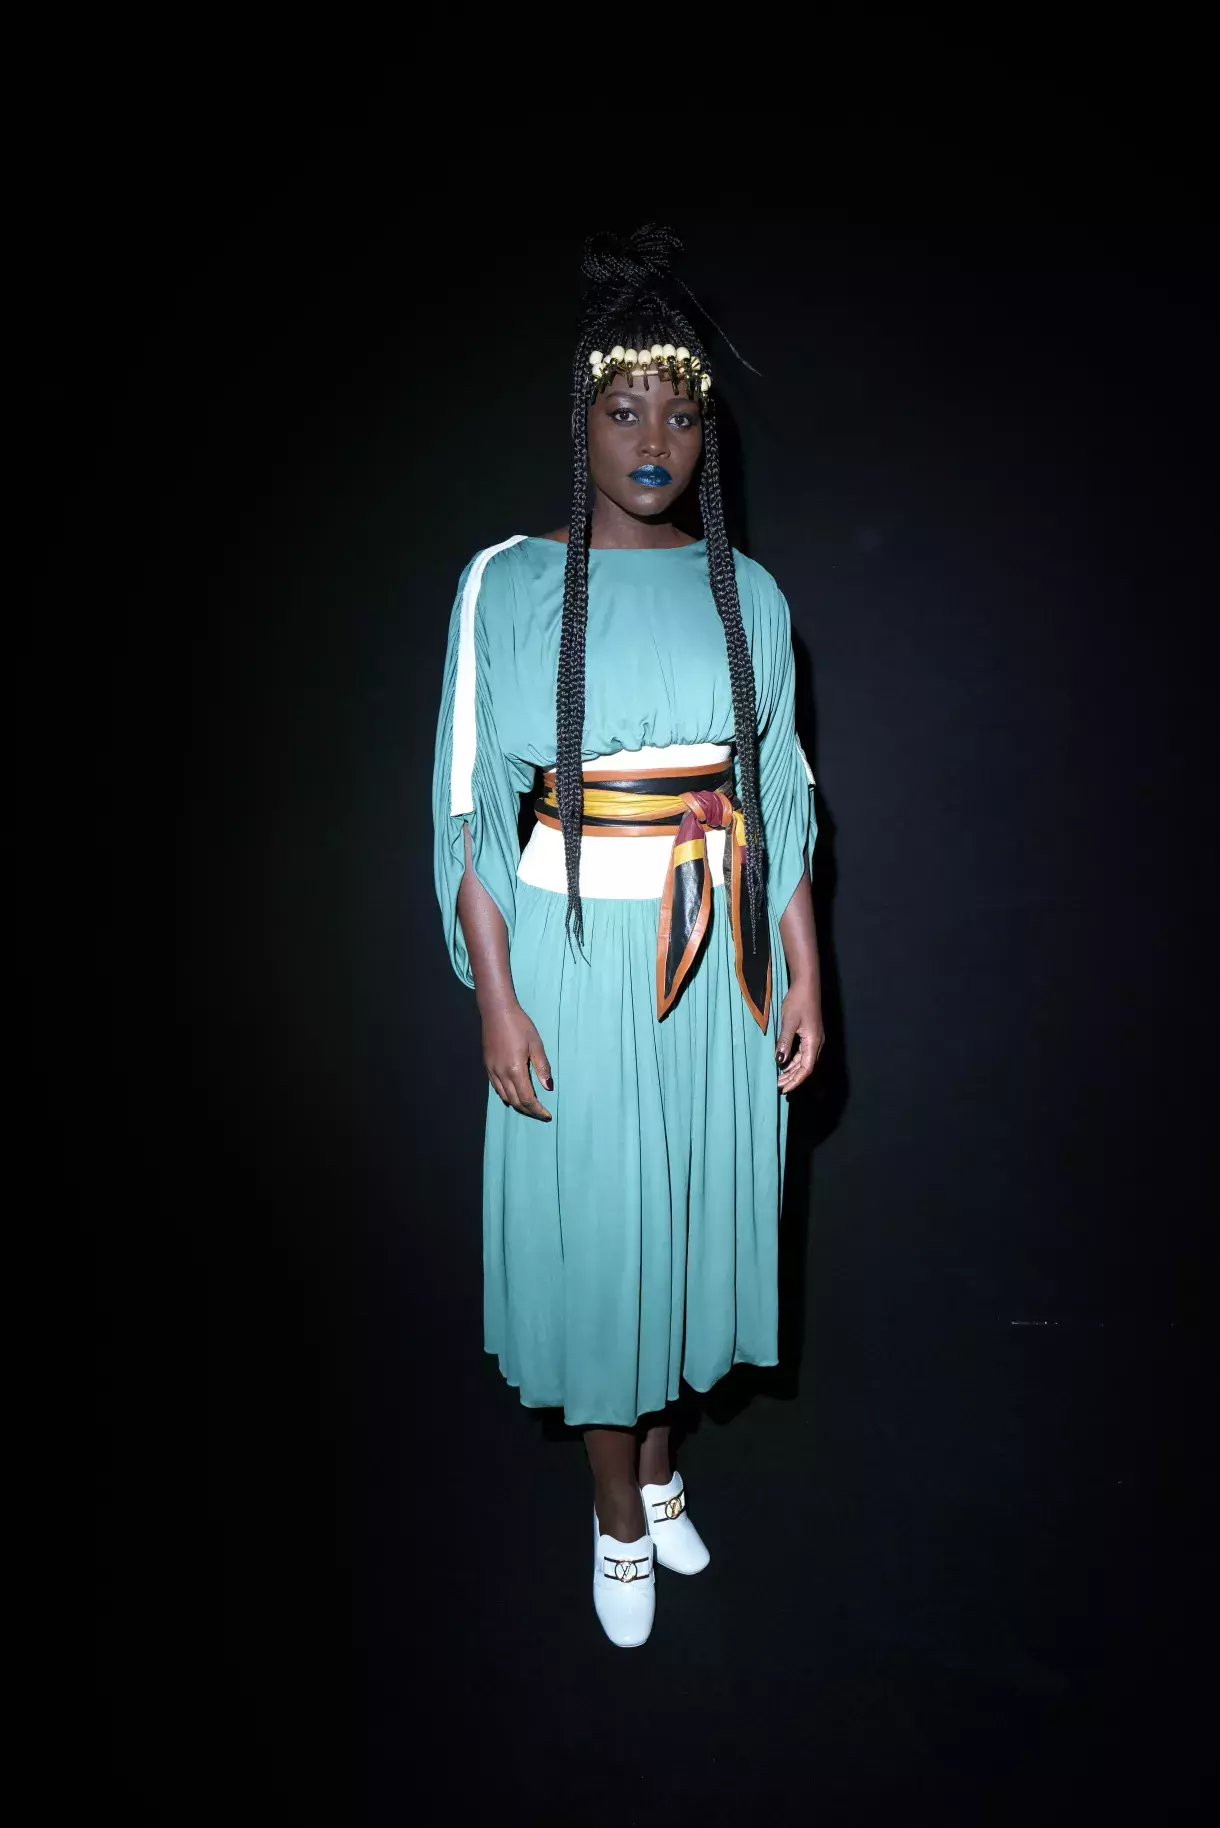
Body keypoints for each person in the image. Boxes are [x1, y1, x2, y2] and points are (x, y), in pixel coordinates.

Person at [431, 226, 824, 1647]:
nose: (654, 440)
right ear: (580, 422)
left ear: (708, 436)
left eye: (680, 414)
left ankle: (661, 1474)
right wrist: (497, 996)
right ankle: (612, 1512)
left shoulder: (750, 594)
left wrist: (806, 971)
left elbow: (776, 797)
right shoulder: (506, 584)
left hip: (715, 963)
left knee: (686, 1223)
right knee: (604, 1238)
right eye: (623, 409)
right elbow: (469, 806)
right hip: (578, 969)